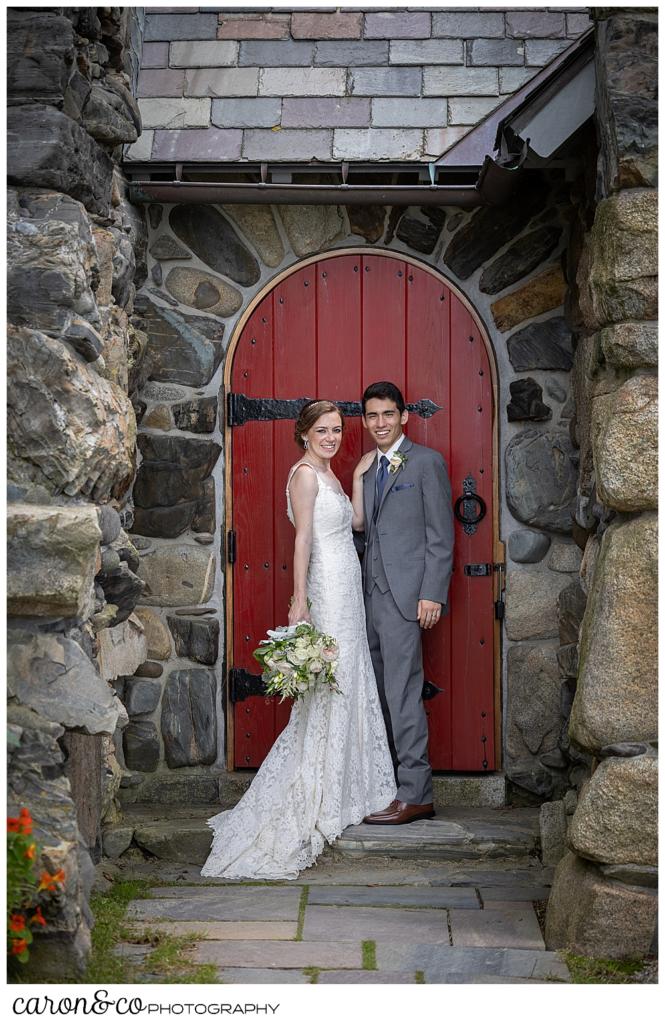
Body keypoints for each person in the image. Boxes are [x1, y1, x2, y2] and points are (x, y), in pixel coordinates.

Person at [201, 400, 396, 880]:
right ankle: (322, 790)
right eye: (322, 430)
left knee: (349, 674)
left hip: (347, 582)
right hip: (326, 584)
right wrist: (298, 599)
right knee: (331, 681)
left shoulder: (329, 473)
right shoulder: (304, 475)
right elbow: (303, 538)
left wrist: (358, 478)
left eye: (336, 430)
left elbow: (354, 524)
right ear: (304, 433)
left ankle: (351, 783)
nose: (331, 437)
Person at [352, 381, 454, 826]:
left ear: (404, 416)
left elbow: (441, 536)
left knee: (402, 693)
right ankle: (386, 786)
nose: (380, 423)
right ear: (365, 420)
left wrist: (431, 592)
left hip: (405, 598)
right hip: (367, 598)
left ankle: (416, 793)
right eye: (372, 416)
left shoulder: (427, 463)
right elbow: (364, 531)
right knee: (375, 695)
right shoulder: (367, 467)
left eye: (387, 415)